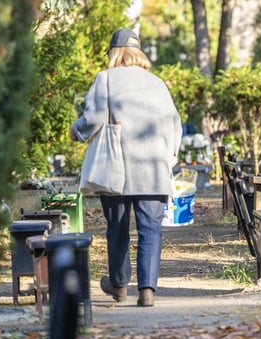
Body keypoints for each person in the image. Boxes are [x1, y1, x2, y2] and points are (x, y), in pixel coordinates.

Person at [70, 28, 182, 307]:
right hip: (154, 168)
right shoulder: (157, 83)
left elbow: (93, 118)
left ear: (114, 53)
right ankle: (147, 290)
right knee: (151, 229)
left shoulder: (105, 79)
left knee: (117, 228)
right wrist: (170, 158)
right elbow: (174, 125)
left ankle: (119, 285)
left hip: (116, 168)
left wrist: (76, 131)